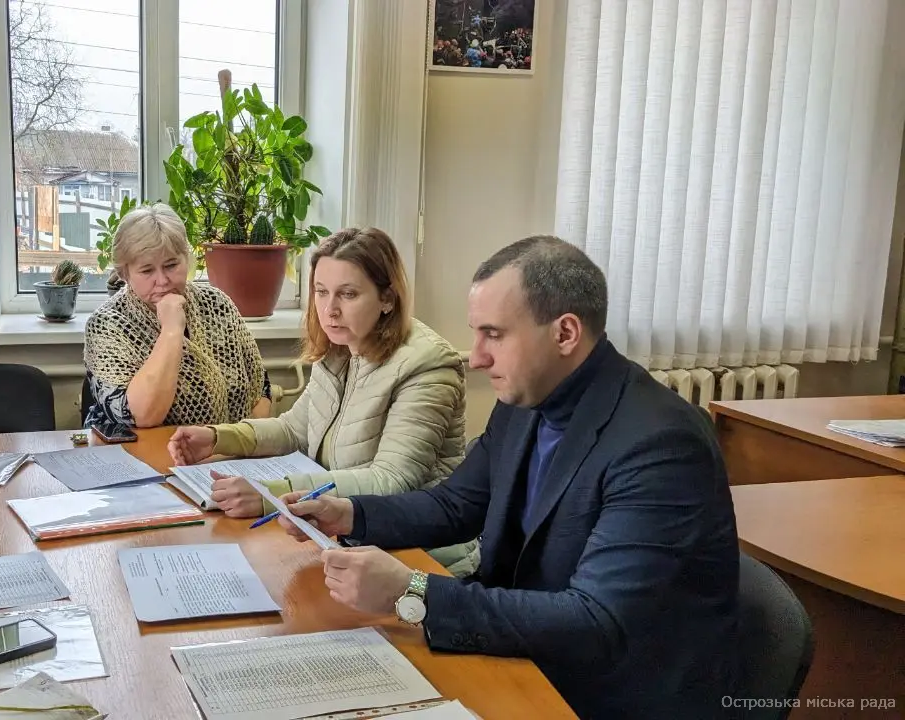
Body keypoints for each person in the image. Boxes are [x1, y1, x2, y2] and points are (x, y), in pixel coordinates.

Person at [276, 236, 740, 719]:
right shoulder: (527, 399)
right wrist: (347, 514)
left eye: (493, 335)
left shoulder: (660, 443)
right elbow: (455, 506)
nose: (476, 358)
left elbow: (596, 622)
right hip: (524, 654)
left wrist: (413, 592)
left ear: (565, 333)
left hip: (607, 695)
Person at [168, 228, 476, 576]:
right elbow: (294, 429)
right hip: (347, 540)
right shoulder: (340, 348)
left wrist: (271, 495)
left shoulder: (427, 365)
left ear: (388, 299)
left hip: (420, 559)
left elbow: (391, 481)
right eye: (321, 292)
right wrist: (219, 437)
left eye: (348, 294)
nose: (330, 310)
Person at [83, 202, 270, 428]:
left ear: (186, 259)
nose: (162, 281)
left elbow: (260, 387)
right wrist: (171, 330)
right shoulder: (106, 324)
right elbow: (140, 416)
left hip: (223, 446)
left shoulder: (217, 304)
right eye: (147, 270)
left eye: (171, 265)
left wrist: (243, 439)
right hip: (135, 446)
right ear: (125, 274)